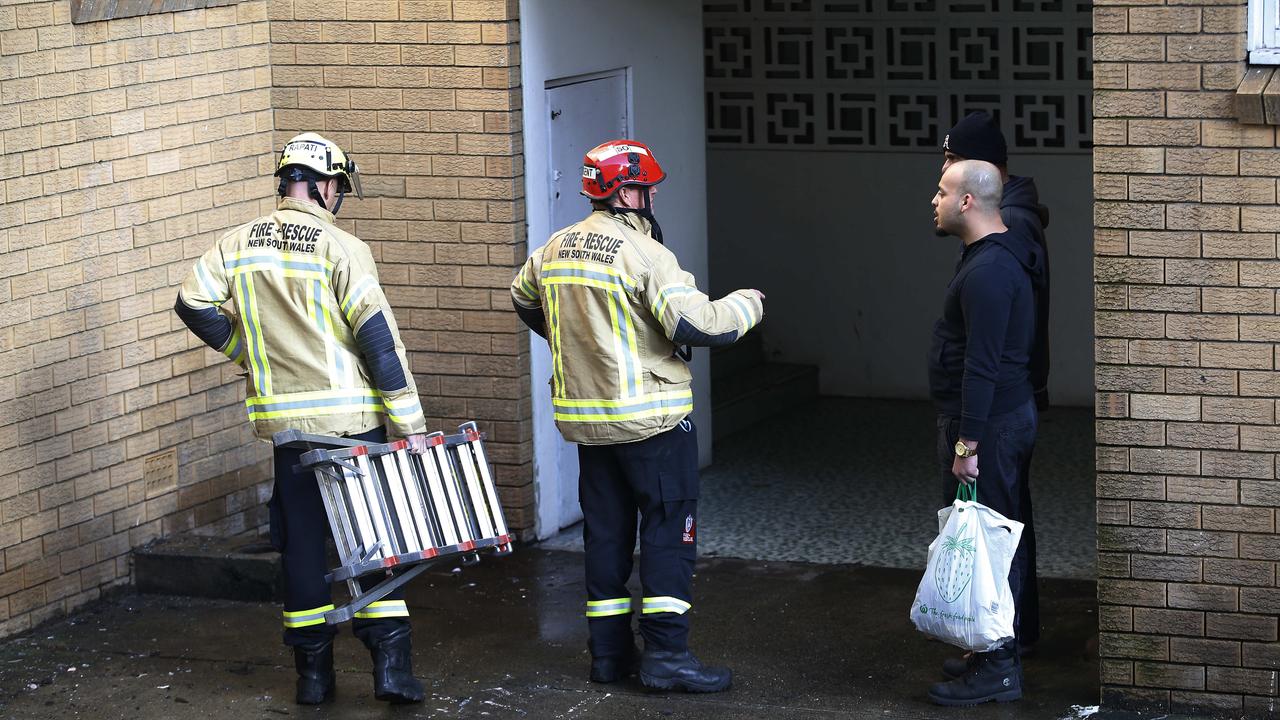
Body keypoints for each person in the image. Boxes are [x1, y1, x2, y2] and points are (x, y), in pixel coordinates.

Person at [174, 132, 428, 706]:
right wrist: (410, 427)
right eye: (337, 184)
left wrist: (249, 352)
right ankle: (391, 666)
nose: (337, 195)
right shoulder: (340, 247)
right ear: (323, 184)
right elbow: (380, 347)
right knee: (374, 542)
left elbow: (192, 303)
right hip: (349, 424)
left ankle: (313, 679)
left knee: (305, 549)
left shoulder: (239, 242)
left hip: (286, 430)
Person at [511, 139, 764, 693]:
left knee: (606, 538)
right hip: (653, 425)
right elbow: (699, 327)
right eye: (646, 189)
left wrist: (576, 346)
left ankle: (609, 657)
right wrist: (750, 302)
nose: (650, 199)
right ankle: (668, 656)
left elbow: (524, 297)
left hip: (590, 427)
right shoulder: (646, 256)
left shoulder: (554, 248)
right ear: (627, 191)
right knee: (669, 536)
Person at [926, 160, 1045, 706]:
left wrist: (966, 446)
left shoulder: (991, 271)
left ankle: (997, 666)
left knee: (989, 547)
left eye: (944, 191)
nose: (935, 199)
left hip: (990, 428)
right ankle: (993, 650)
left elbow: (983, 365)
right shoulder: (986, 258)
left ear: (969, 202)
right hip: (997, 422)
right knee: (992, 540)